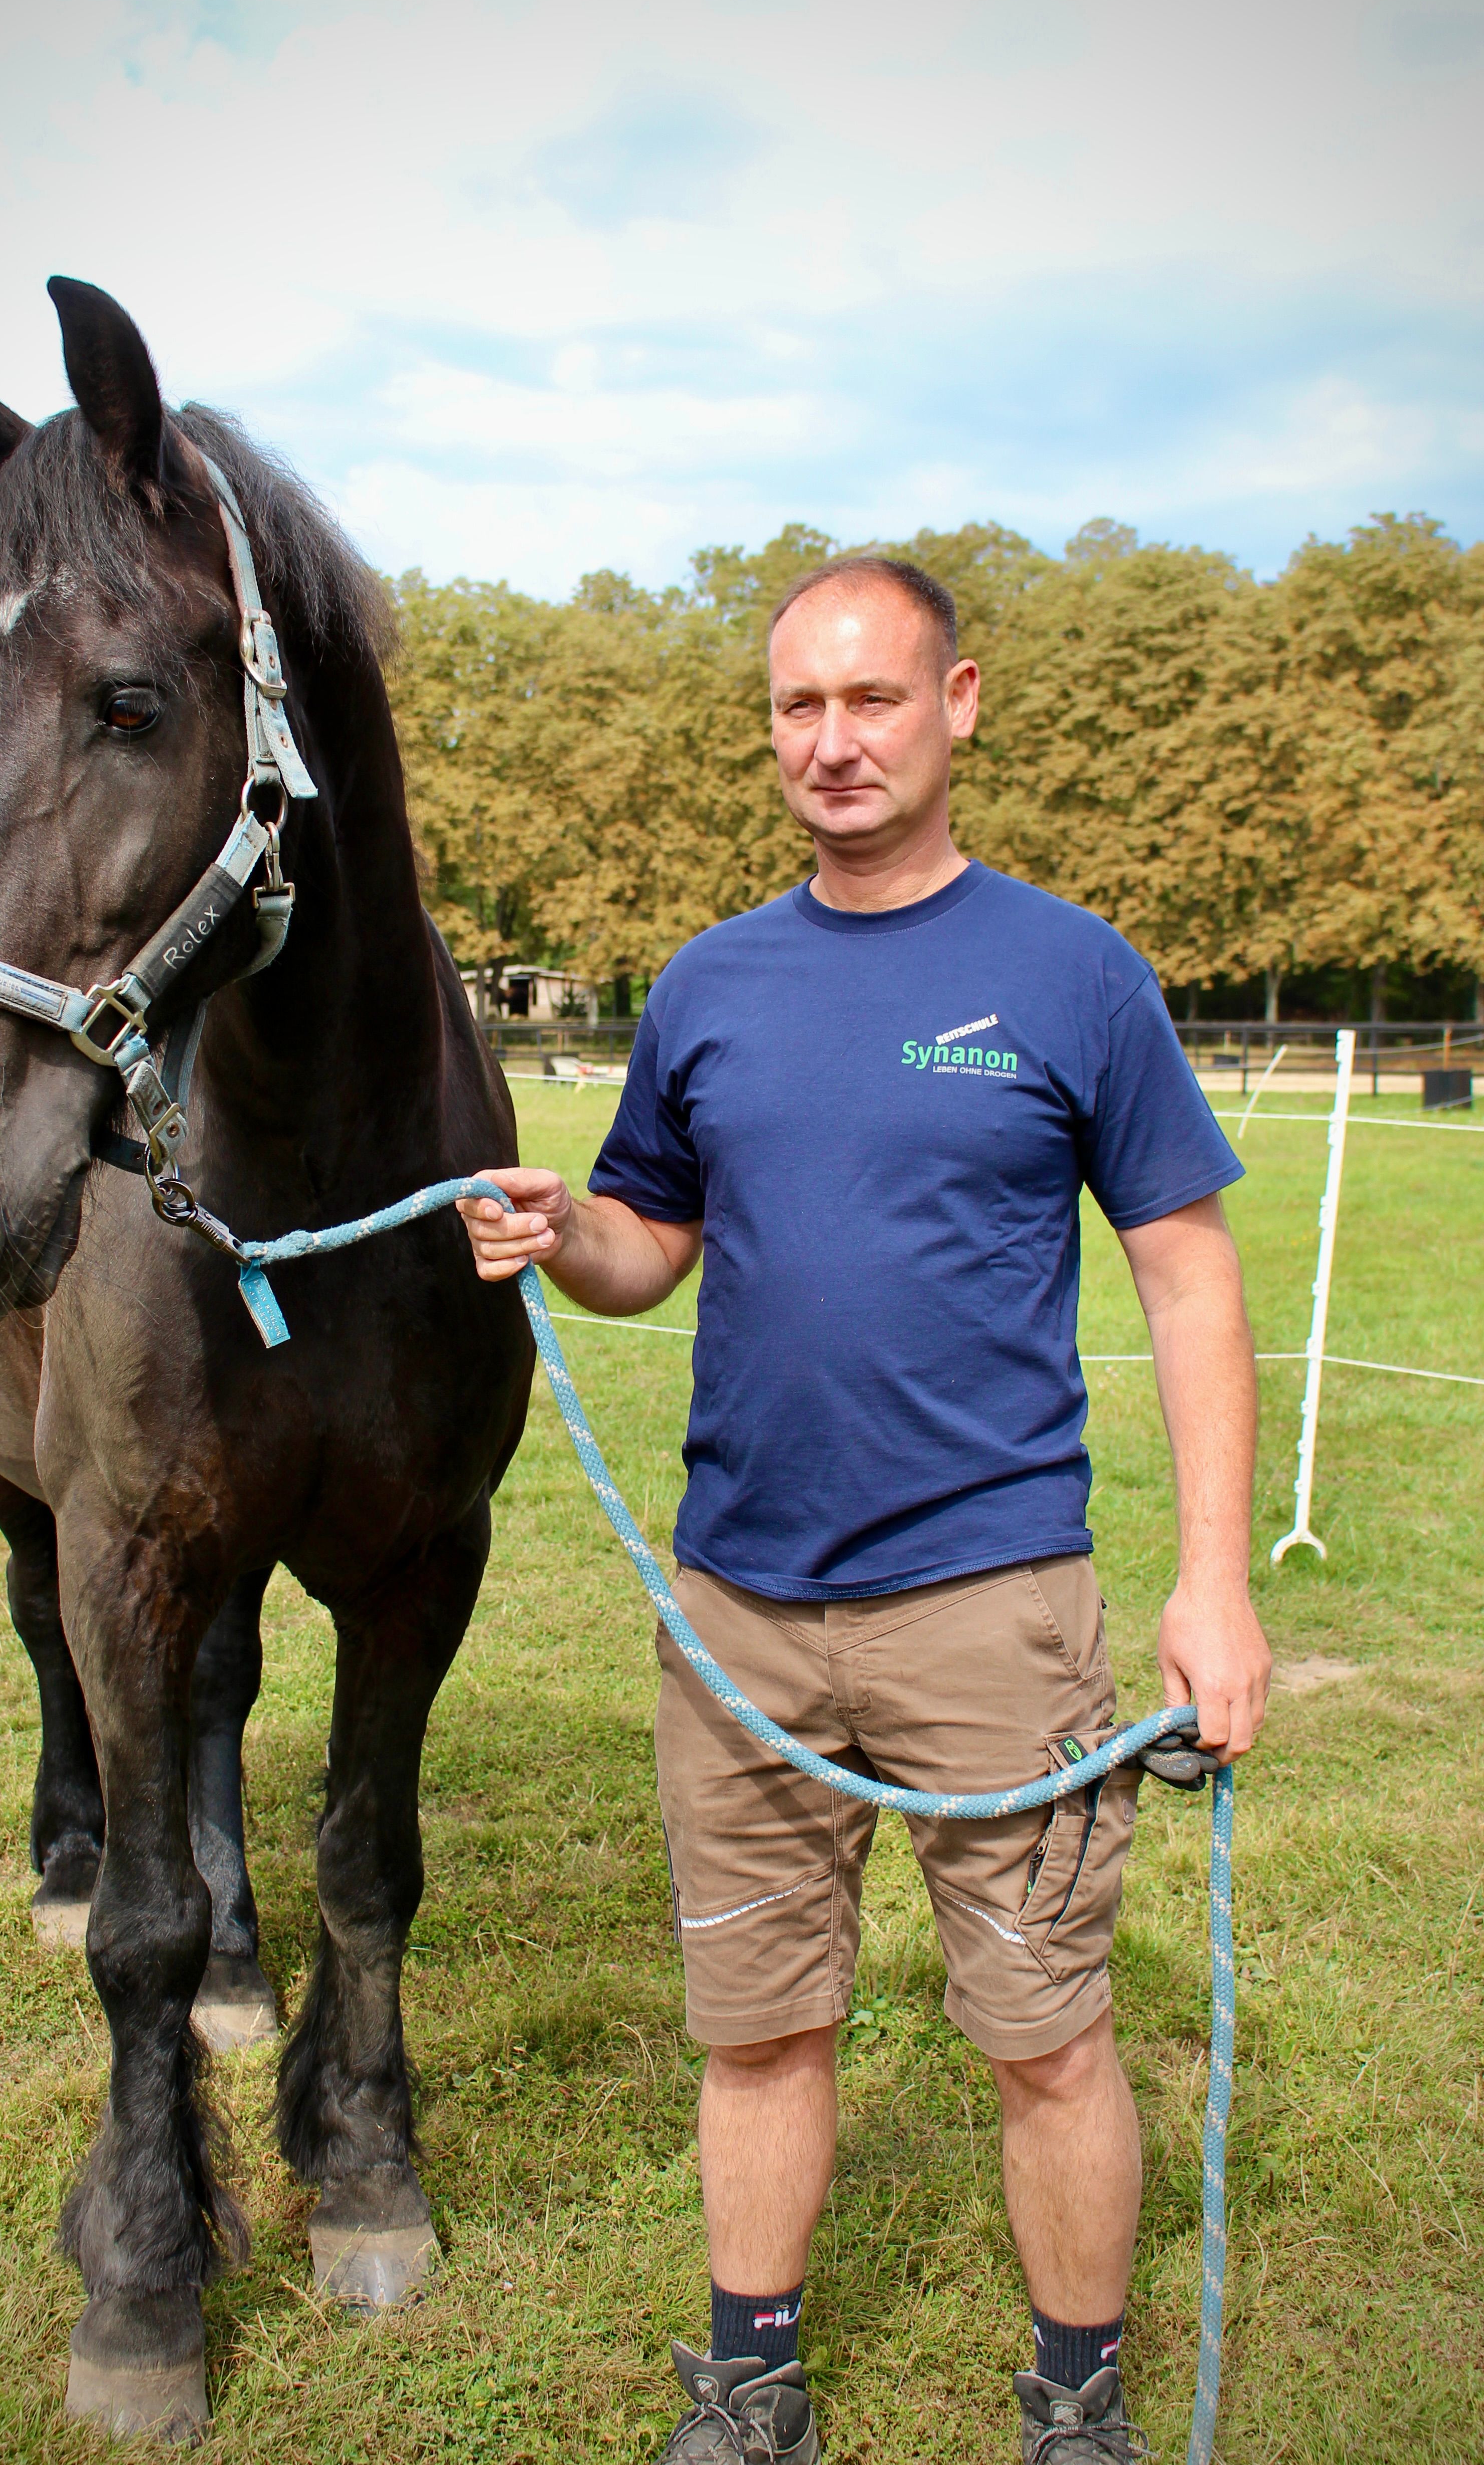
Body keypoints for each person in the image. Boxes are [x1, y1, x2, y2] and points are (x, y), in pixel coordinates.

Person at [456, 554, 1271, 2465]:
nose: (831, 743)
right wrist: (563, 1228)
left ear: (959, 702)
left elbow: (1190, 1278)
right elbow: (651, 1244)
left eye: (872, 701)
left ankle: (1078, 2404)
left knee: (1048, 2033)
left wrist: (1213, 1583)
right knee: (758, 2025)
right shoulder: (712, 984)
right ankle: (752, 2389)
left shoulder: (1072, 973)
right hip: (736, 1609)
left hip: (996, 1608)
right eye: (798, 709)